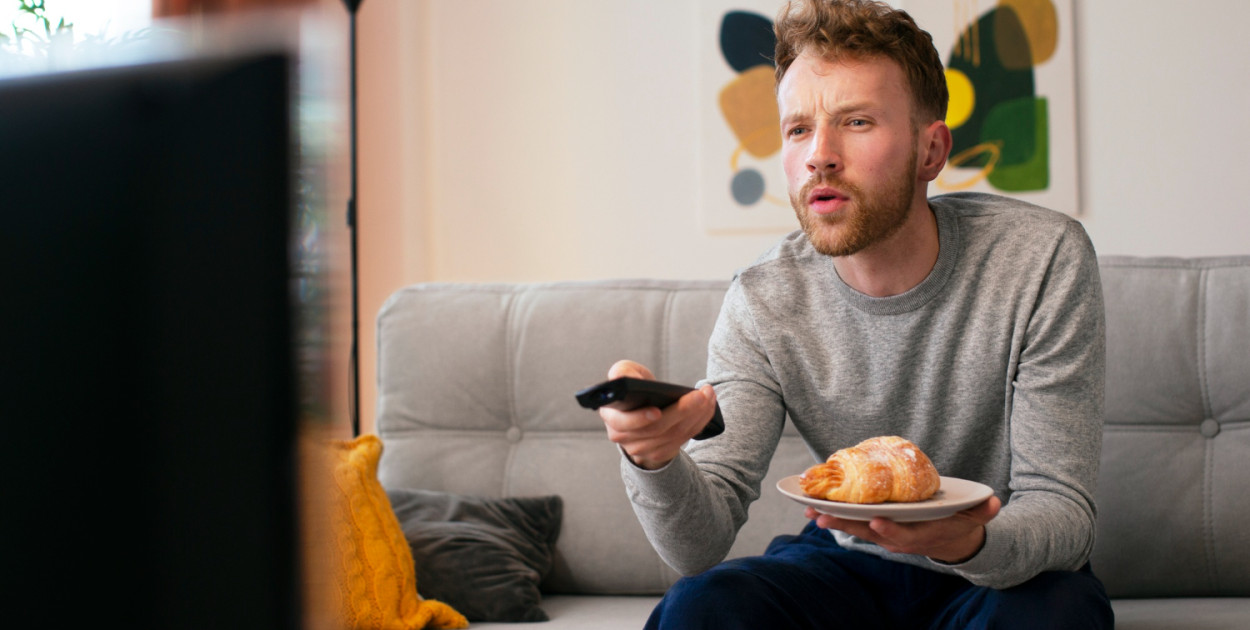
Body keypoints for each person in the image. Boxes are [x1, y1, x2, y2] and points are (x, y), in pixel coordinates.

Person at [597, 0, 1114, 627]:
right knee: (701, 607)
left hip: (995, 563)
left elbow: (1062, 511)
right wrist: (654, 461)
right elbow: (697, 544)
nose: (820, 155)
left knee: (1058, 614)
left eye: (857, 121)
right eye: (797, 130)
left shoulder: (1040, 259)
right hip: (843, 562)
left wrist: (966, 542)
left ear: (931, 151)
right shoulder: (763, 299)